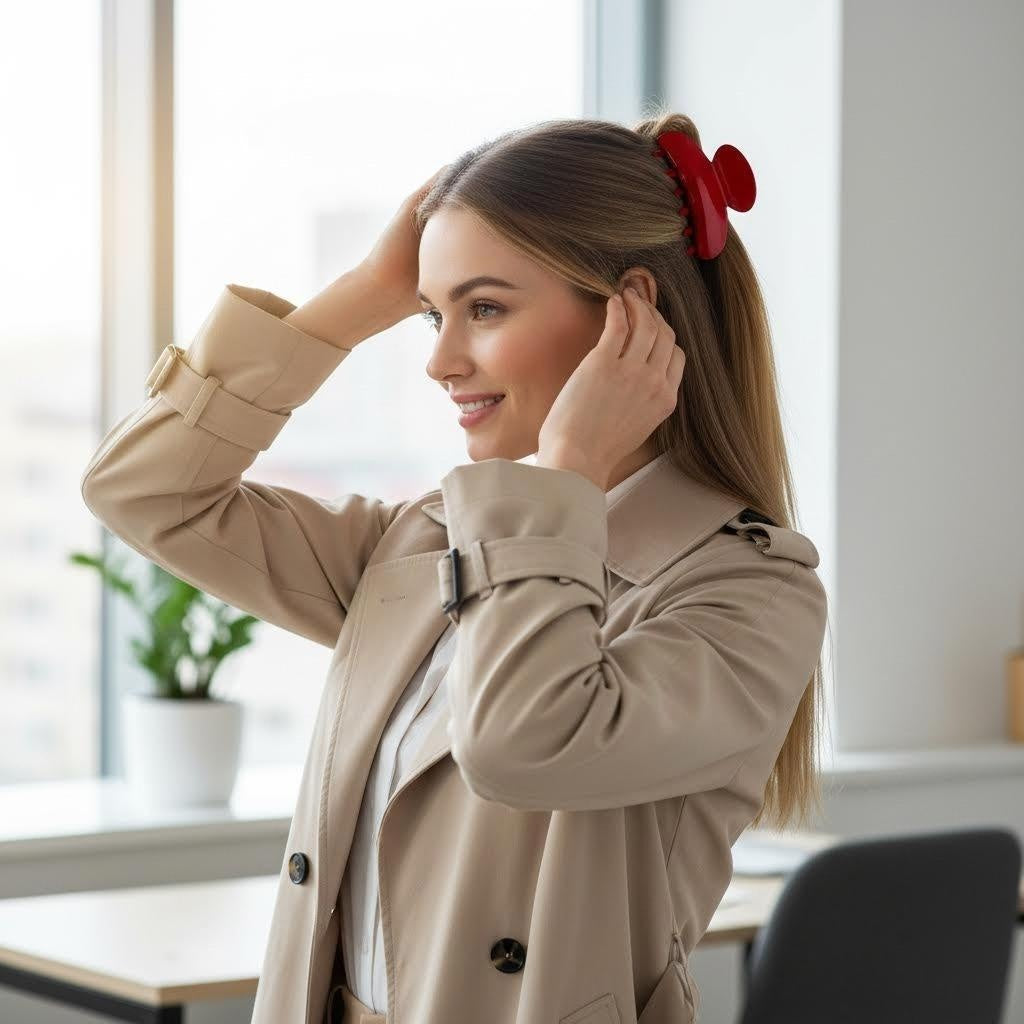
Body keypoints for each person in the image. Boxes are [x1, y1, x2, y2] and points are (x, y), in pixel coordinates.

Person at [81, 110, 830, 1024]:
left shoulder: (748, 589)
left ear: (631, 315)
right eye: (432, 313)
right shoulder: (423, 543)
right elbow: (145, 491)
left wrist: (569, 470)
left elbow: (523, 742)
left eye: (484, 308)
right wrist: (358, 297)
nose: (438, 359)